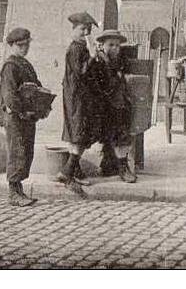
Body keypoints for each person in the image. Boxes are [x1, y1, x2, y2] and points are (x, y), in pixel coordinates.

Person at [0, 27, 44, 207]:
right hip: (16, 117)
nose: (24, 48)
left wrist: (41, 103)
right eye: (20, 45)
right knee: (17, 152)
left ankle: (19, 189)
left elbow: (37, 86)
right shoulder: (10, 67)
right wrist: (23, 111)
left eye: (27, 45)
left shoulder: (25, 65)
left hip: (28, 116)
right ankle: (13, 192)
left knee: (26, 152)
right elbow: (9, 97)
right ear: (11, 45)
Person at [57, 12, 100, 193]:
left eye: (88, 29)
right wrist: (92, 56)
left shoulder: (80, 47)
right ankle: (67, 172)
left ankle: (77, 171)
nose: (85, 32)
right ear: (74, 29)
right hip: (77, 96)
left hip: (80, 95)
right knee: (79, 132)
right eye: (82, 29)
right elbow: (81, 72)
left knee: (79, 131)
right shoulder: (75, 48)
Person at [87, 29, 137, 183]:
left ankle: (110, 166)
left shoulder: (119, 60)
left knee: (119, 134)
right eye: (111, 45)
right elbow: (97, 84)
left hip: (119, 103)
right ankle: (122, 169)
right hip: (105, 105)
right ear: (102, 45)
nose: (115, 48)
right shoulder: (99, 61)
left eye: (117, 45)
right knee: (116, 135)